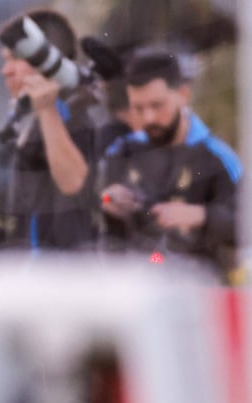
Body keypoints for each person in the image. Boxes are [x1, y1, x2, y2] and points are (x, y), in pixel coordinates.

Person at [98, 49, 242, 282]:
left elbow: (244, 224)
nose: (149, 119)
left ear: (183, 95)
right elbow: (99, 208)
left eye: (157, 105)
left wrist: (203, 215)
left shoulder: (218, 157)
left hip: (201, 292)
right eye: (139, 108)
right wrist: (108, 202)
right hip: (132, 289)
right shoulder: (122, 151)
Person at [0, 8, 98, 251]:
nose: (6, 70)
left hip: (62, 278)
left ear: (46, 61)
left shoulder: (73, 115)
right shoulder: (21, 119)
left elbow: (74, 183)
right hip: (24, 274)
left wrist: (47, 110)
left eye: (15, 59)